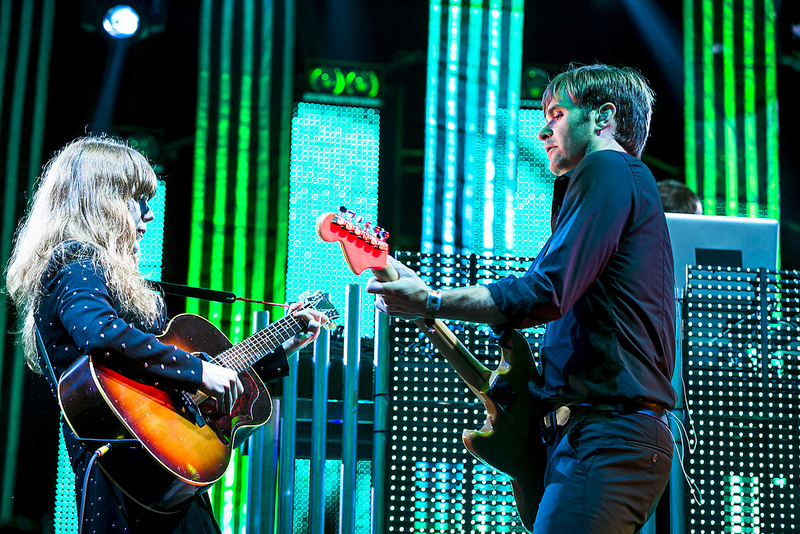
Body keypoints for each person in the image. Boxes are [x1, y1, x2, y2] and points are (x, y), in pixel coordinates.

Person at [367, 64, 676, 533]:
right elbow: (540, 298)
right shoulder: (611, 184)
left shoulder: (608, 167)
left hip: (605, 434)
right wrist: (427, 297)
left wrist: (431, 300)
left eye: (557, 114)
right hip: (588, 437)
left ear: (603, 117)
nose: (542, 130)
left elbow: (543, 292)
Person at [5, 136, 327, 533]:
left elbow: (171, 388)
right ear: (100, 200)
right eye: (137, 199)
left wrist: (281, 345)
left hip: (164, 482)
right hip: (123, 489)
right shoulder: (75, 263)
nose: (150, 214)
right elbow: (100, 334)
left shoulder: (98, 274)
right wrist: (199, 371)